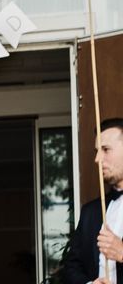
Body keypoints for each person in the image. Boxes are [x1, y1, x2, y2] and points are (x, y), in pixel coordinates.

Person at [62, 117, 123, 284]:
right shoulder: (91, 212)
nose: (97, 159)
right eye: (97, 151)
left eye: (105, 149)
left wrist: (122, 253)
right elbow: (71, 267)